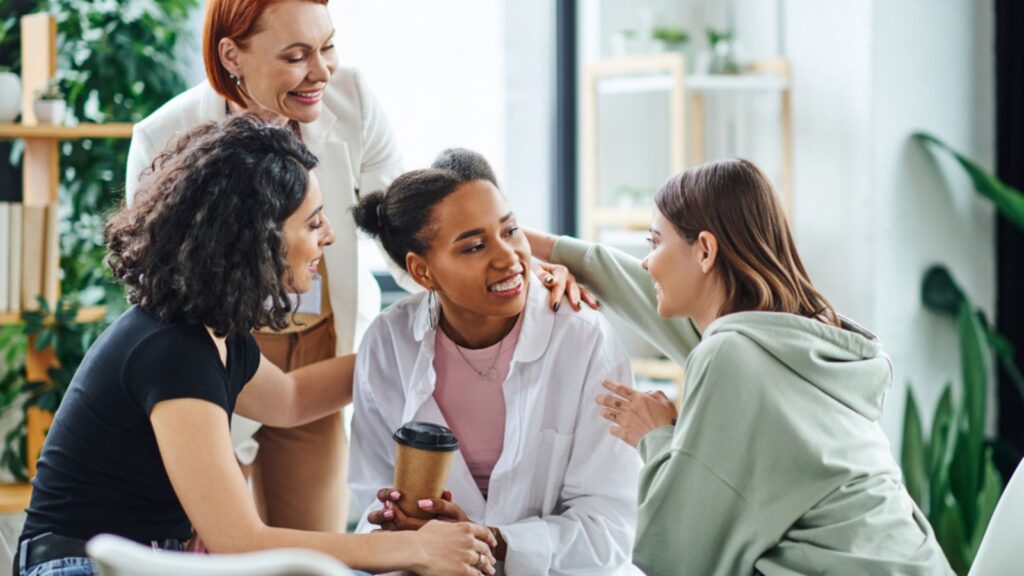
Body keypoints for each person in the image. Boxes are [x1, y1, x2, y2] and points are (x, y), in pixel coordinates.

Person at [125, 0, 584, 531]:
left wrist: (519, 264)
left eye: (328, 47)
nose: (321, 71)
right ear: (231, 54)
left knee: (307, 549)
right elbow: (161, 297)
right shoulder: (165, 138)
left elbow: (410, 228)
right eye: (297, 56)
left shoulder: (354, 101)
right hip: (219, 348)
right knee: (214, 540)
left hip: (322, 345)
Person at [17, 116, 496, 576]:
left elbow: (290, 398)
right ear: (255, 240)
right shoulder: (173, 350)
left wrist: (417, 345)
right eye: (312, 223)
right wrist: (409, 547)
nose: (328, 235)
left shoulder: (209, 334)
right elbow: (237, 539)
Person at [525, 158, 954, 575]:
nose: (646, 262)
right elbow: (635, 286)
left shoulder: (730, 354)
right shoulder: (797, 338)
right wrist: (518, 242)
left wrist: (655, 437)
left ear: (706, 250)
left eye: (654, 243)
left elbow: (680, 553)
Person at [348, 149, 640, 575]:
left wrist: (493, 542)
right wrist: (403, 526)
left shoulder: (584, 339)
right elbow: (373, 489)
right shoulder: (387, 344)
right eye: (474, 246)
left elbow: (612, 528)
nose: (508, 258)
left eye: (511, 231)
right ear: (423, 272)